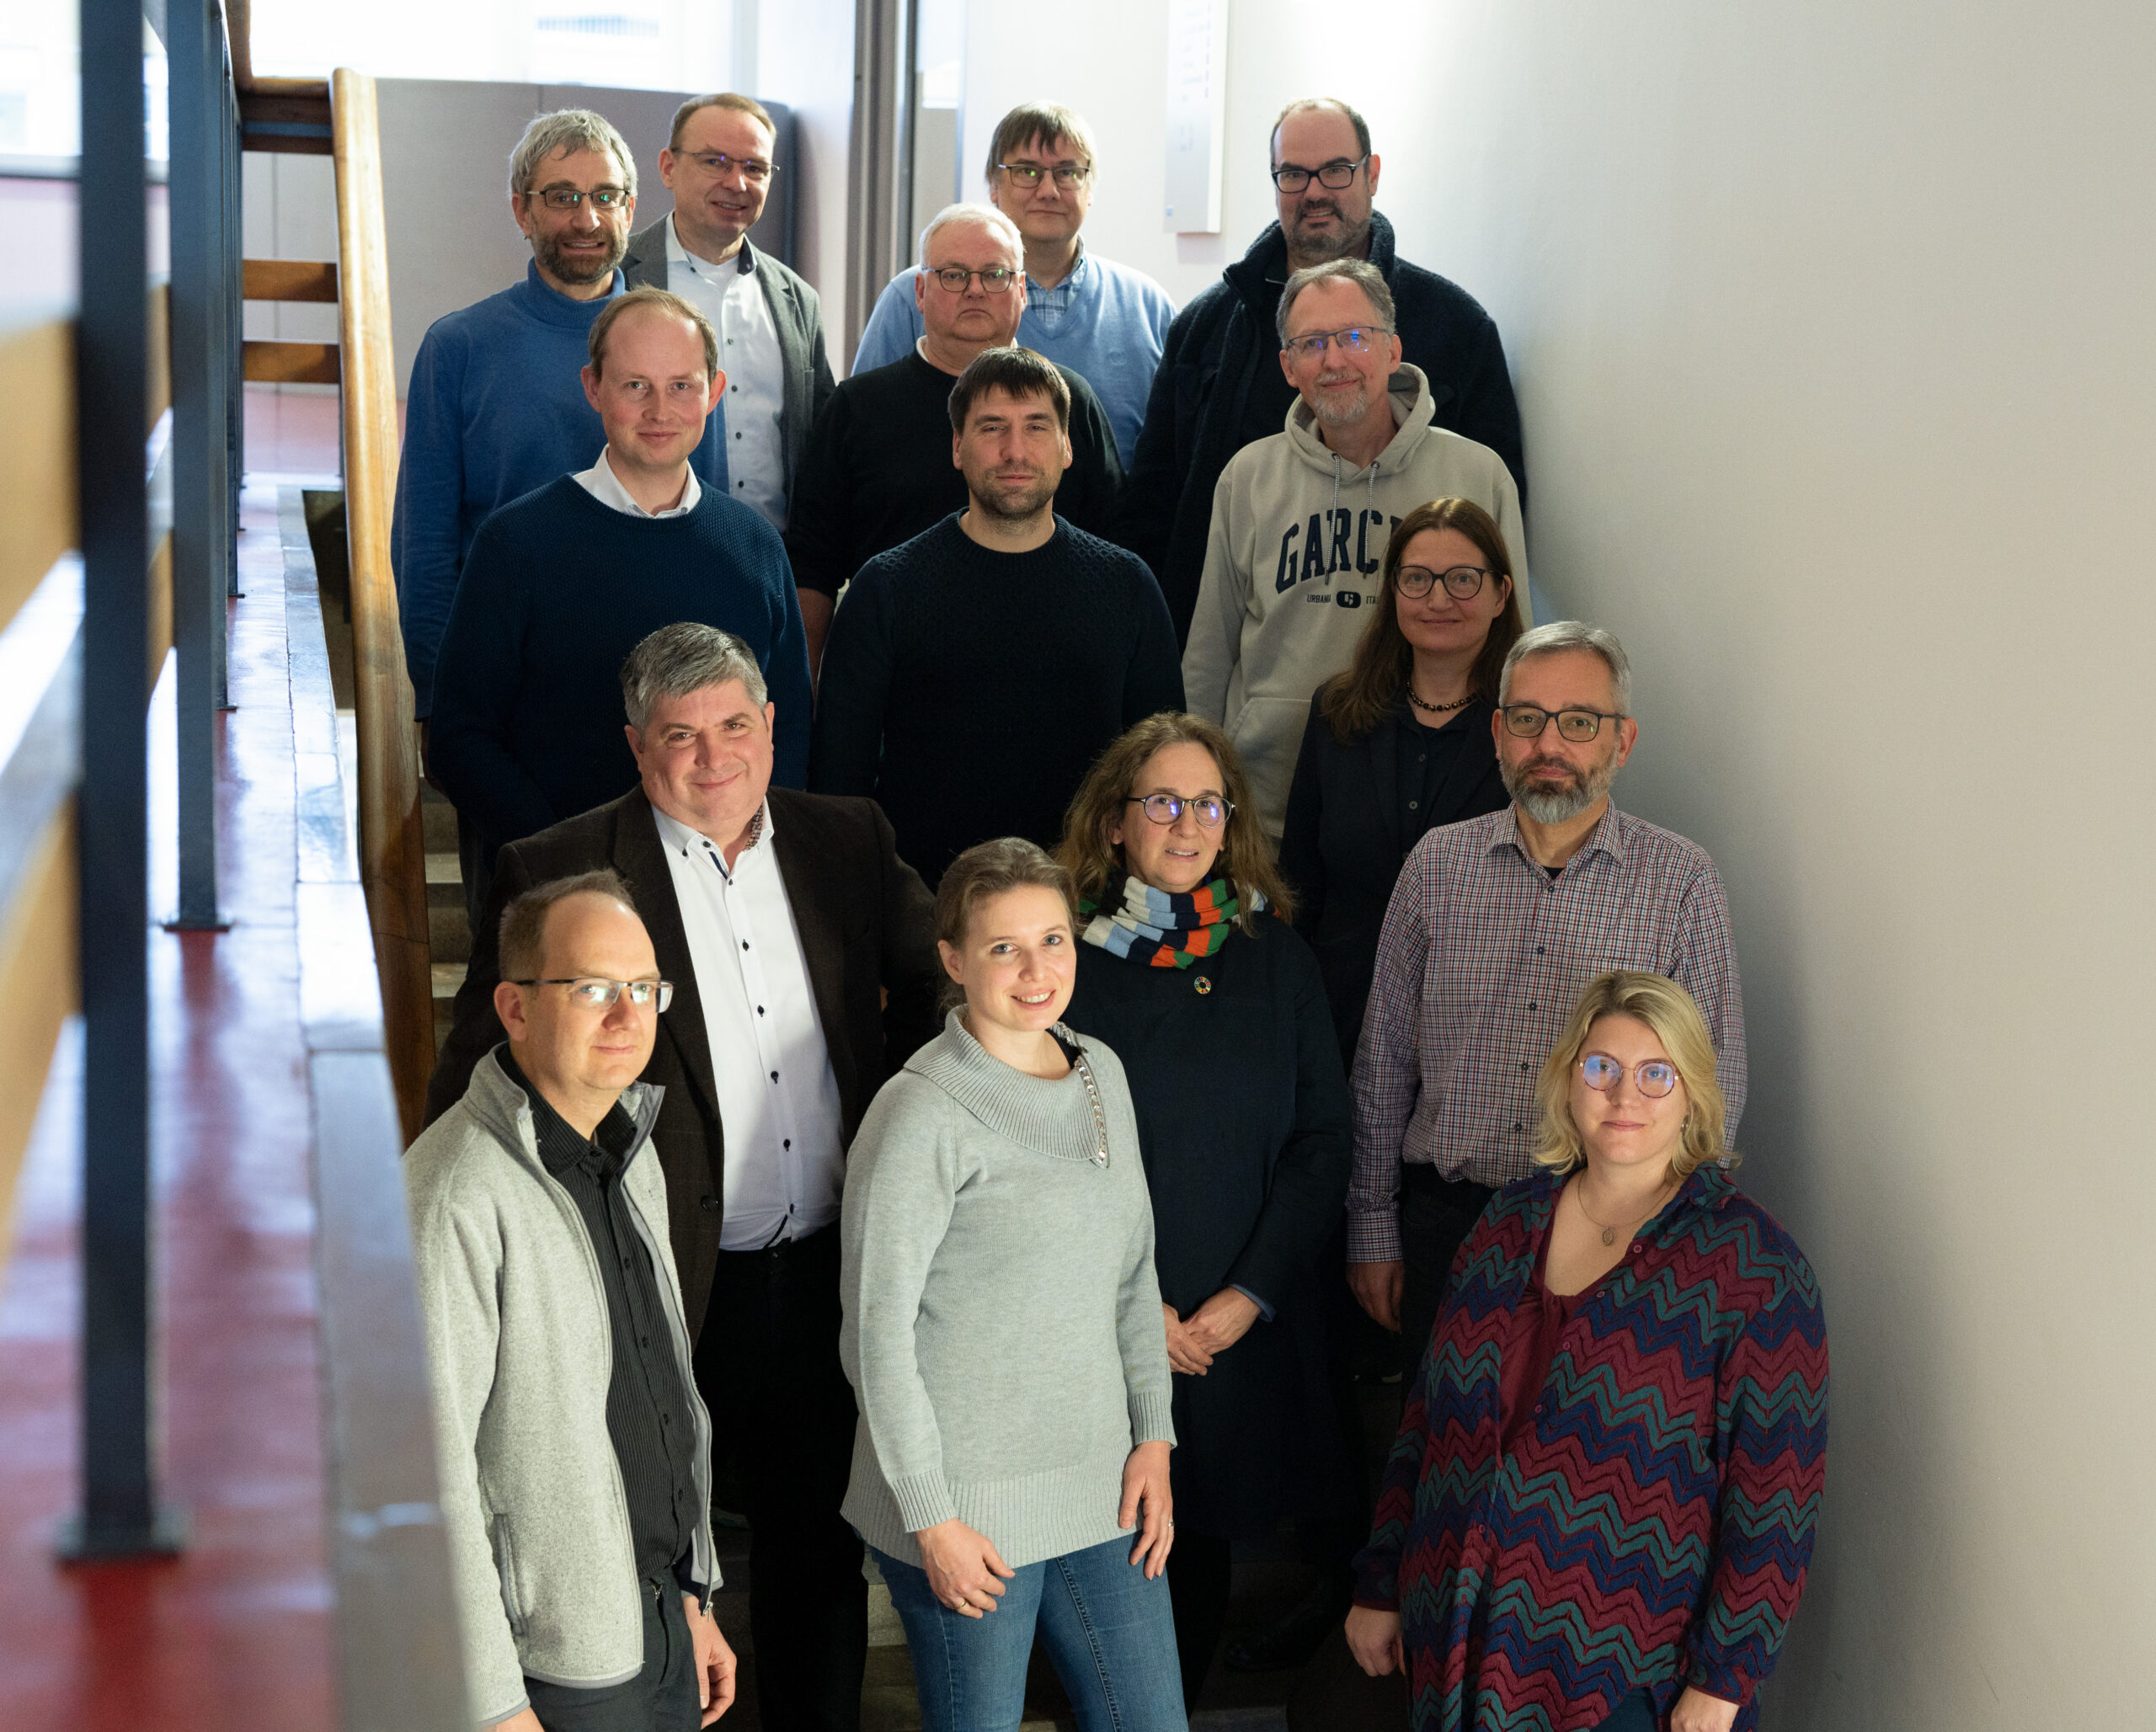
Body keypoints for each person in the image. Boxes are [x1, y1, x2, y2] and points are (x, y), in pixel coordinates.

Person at [429, 623, 943, 1732]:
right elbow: (472, 1078)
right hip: (651, 1282)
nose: (713, 758)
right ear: (634, 745)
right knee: (649, 1547)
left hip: (823, 1274)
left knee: (818, 1552)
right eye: (679, 736)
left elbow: (945, 990)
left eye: (733, 728)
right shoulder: (559, 871)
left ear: (769, 728)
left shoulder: (848, 840)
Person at [1346, 971, 1827, 1732]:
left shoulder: (1752, 1265)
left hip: (1624, 1674)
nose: (1623, 1095)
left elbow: (1776, 1498)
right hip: (1455, 1641)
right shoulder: (1509, 1219)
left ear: (1694, 1094)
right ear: (1569, 1079)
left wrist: (1725, 1677)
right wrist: (1380, 1581)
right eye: (1601, 1067)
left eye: (1655, 1074)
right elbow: (1426, 1417)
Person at [839, 837, 1184, 1732]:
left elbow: (1133, 1271)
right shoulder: (917, 1112)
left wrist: (1153, 1434)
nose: (1036, 970)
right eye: (1003, 947)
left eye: (1054, 939)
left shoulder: (1102, 1072)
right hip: (965, 1508)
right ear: (953, 959)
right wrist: (931, 1517)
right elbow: (875, 1336)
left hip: (1104, 1485)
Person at [1345, 621, 1748, 1383]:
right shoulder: (1436, 865)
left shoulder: (1683, 883)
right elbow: (1383, 1062)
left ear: (1621, 742)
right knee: (1443, 1461)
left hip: (1617, 1234)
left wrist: (1685, 1255)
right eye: (1528, 719)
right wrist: (1372, 1226)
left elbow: (1715, 1082)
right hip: (1449, 1228)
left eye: (1579, 721)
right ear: (1499, 733)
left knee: (1582, 1471)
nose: (1550, 743)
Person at [1056, 715, 1352, 1708]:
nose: (1186, 823)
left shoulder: (1278, 958)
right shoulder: (1063, 962)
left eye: (1208, 803)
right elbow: (1039, 1156)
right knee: (1093, 1558)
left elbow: (1321, 1140)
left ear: (1232, 826)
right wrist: (1143, 1316)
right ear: (1114, 823)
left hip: (1232, 1328)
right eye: (1162, 801)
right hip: (1099, 1326)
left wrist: (1245, 1296)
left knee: (1194, 1552)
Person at [407, 871, 736, 1730]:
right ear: (514, 1008)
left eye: (644, 988)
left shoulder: (632, 1146)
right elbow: (419, 1467)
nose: (628, 1016)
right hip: (553, 1667)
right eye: (592, 988)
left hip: (656, 1618)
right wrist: (492, 1701)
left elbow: (657, 1396)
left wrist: (691, 1594)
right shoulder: (453, 1191)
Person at [428, 289, 812, 914]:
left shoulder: (754, 545)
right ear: (593, 387)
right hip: (560, 894)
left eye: (681, 386)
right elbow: (460, 735)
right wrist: (569, 862)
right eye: (635, 385)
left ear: (714, 392)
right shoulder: (517, 543)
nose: (660, 409)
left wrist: (747, 853)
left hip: (722, 893)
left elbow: (787, 724)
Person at [1119, 96, 1526, 643]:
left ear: (1372, 173)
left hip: (1416, 673)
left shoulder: (1456, 329)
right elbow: (1154, 509)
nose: (1314, 191)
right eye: (1293, 174)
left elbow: (1498, 521)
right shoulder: (1203, 331)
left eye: (1335, 170)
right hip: (1244, 671)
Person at [394, 108, 728, 726]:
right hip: (506, 685)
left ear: (630, 209)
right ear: (523, 211)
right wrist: (443, 701)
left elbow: (710, 530)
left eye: (605, 196)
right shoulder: (458, 348)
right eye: (562, 197)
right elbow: (426, 548)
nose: (587, 218)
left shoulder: (683, 343)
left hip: (659, 696)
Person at [808, 346, 1182, 886]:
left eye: (1036, 427)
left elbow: (1162, 769)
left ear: (1067, 446)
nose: (1014, 451)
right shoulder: (886, 588)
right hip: (927, 915)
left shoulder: (1127, 587)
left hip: (1090, 911)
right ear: (958, 447)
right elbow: (840, 788)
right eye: (991, 429)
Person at [1182, 260, 1528, 839]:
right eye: (1312, 344)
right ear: (1289, 367)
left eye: (1354, 337)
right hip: (1267, 809)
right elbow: (1209, 654)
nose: (1334, 360)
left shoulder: (1476, 474)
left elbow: (1513, 646)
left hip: (1432, 810)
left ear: (1392, 351)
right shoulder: (1247, 478)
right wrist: (1198, 790)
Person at [784, 204, 1125, 674]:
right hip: (896, 679)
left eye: (995, 275)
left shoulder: (1068, 401)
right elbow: (812, 567)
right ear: (920, 292)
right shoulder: (858, 408)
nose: (975, 290)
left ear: (1022, 290)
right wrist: (811, 695)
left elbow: (1114, 549)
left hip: (1053, 672)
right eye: (953, 275)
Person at [1279, 497, 1524, 1074]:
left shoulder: (1529, 732)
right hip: (1339, 1025)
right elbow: (1297, 884)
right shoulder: (1334, 713)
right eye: (1417, 579)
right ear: (1393, 592)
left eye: (1463, 579)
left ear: (1501, 594)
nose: (1439, 598)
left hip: (1476, 1040)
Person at [851, 101, 1176, 467]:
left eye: (1068, 172)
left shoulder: (1148, 307)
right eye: (1028, 171)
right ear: (993, 184)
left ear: (1090, 188)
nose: (1049, 190)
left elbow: (1169, 455)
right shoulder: (919, 294)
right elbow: (863, 431)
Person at [622, 92, 835, 534]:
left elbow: (817, 445)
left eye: (754, 167)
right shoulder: (618, 281)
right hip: (644, 551)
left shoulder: (798, 300)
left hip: (772, 560)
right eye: (716, 161)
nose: (737, 183)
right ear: (668, 167)